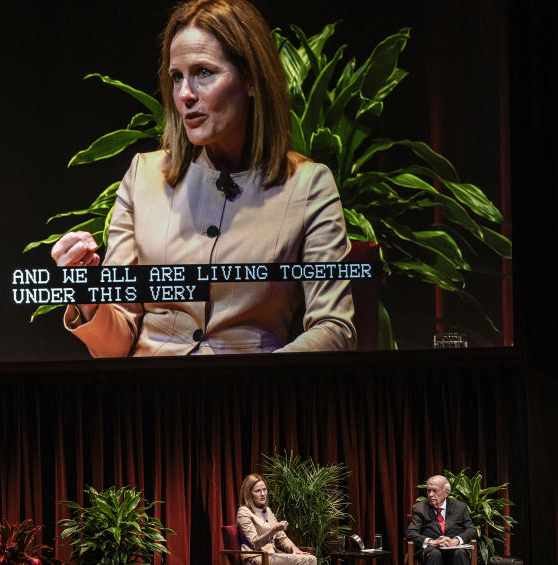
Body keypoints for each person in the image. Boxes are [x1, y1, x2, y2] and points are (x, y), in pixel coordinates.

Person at [50, 0, 356, 357]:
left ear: (251, 80)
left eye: (204, 73)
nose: (185, 95)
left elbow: (335, 329)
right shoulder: (143, 177)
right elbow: (116, 344)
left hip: (254, 399)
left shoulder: (308, 185)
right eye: (177, 76)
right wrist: (88, 298)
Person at [405, 474, 478, 565]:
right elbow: (410, 532)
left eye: (435, 491)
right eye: (428, 491)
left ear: (446, 492)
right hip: (431, 550)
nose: (430, 494)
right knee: (434, 554)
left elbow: (471, 530)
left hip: (452, 549)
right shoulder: (420, 508)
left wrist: (456, 540)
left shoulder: (460, 507)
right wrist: (429, 541)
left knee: (461, 553)